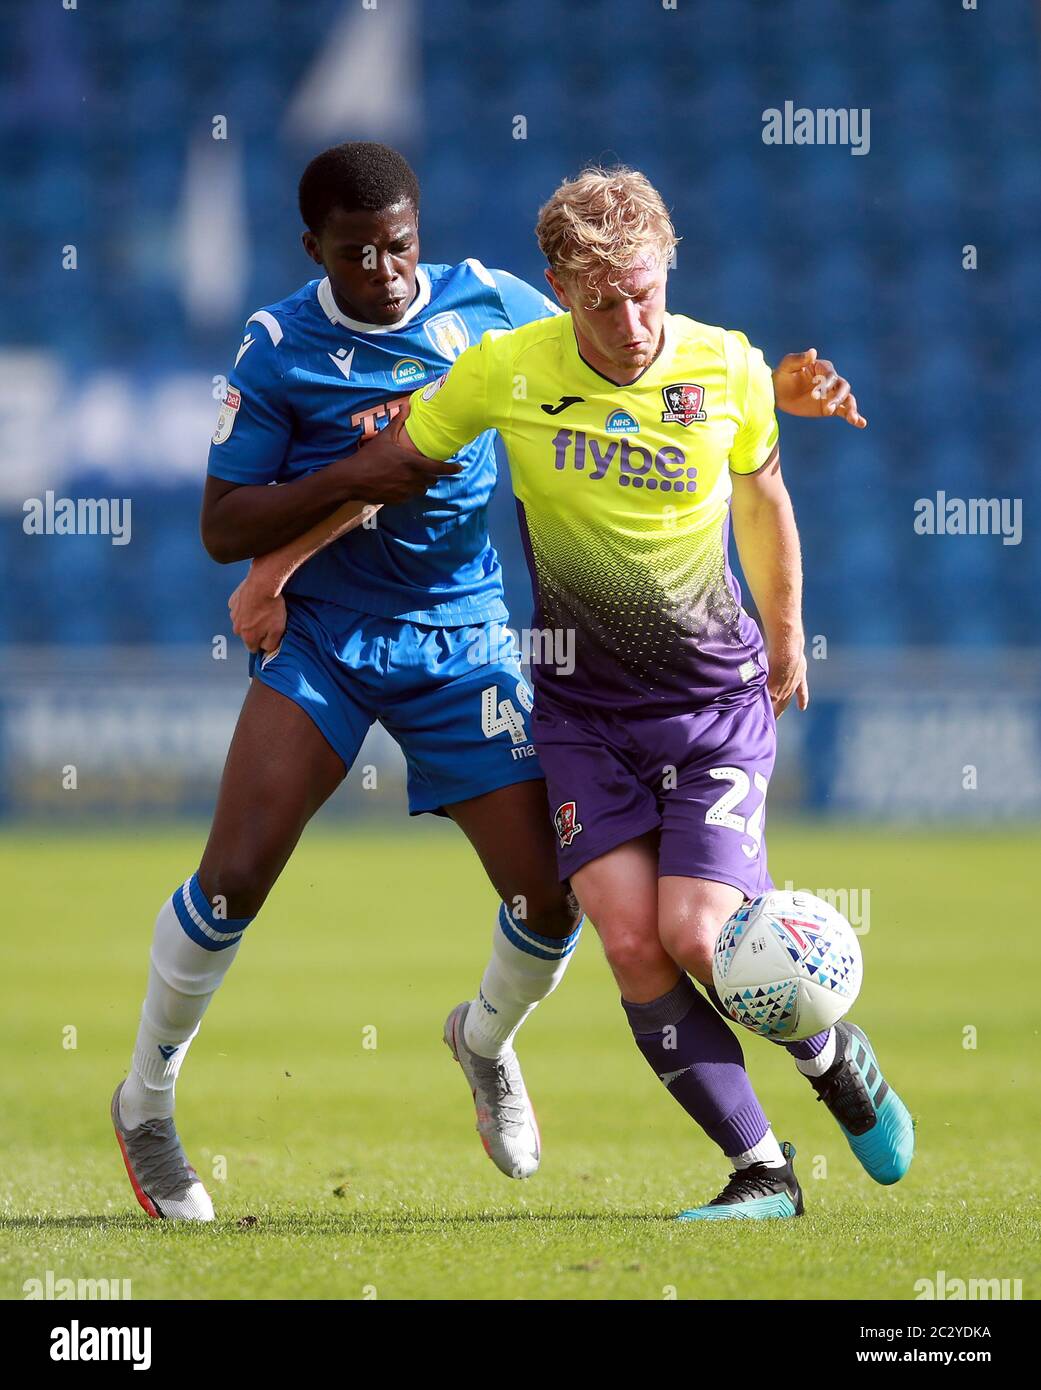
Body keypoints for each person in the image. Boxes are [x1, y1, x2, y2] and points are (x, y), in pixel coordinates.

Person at [114, 142, 867, 1222]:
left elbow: (646, 363)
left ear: (423, 231)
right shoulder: (279, 348)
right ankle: (145, 1099)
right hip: (330, 635)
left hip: (465, 638)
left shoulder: (497, 309)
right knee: (233, 879)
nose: (382, 270)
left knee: (551, 898)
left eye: (399, 245)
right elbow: (225, 524)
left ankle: (486, 1040)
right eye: (355, 252)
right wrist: (288, 555)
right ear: (311, 250)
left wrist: (776, 390)